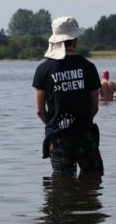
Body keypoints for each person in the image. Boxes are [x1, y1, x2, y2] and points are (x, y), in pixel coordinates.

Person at [32, 16, 103, 174]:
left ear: (55, 39)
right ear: (75, 39)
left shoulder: (43, 70)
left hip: (58, 139)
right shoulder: (89, 67)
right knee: (92, 182)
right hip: (85, 136)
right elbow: (94, 108)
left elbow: (39, 111)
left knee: (62, 187)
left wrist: (53, 124)